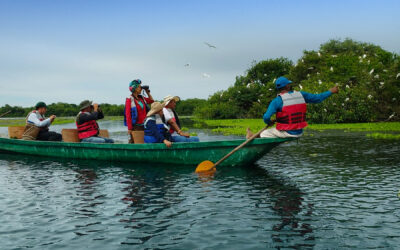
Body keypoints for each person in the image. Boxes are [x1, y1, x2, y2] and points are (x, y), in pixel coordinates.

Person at [247, 76, 339, 139]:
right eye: (288, 84)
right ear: (287, 86)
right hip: (299, 132)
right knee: (270, 132)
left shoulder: (276, 101)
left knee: (264, 133)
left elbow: (266, 117)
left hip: (288, 132)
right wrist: (331, 91)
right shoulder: (301, 94)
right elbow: (318, 98)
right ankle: (252, 136)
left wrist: (269, 122)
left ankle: (252, 137)